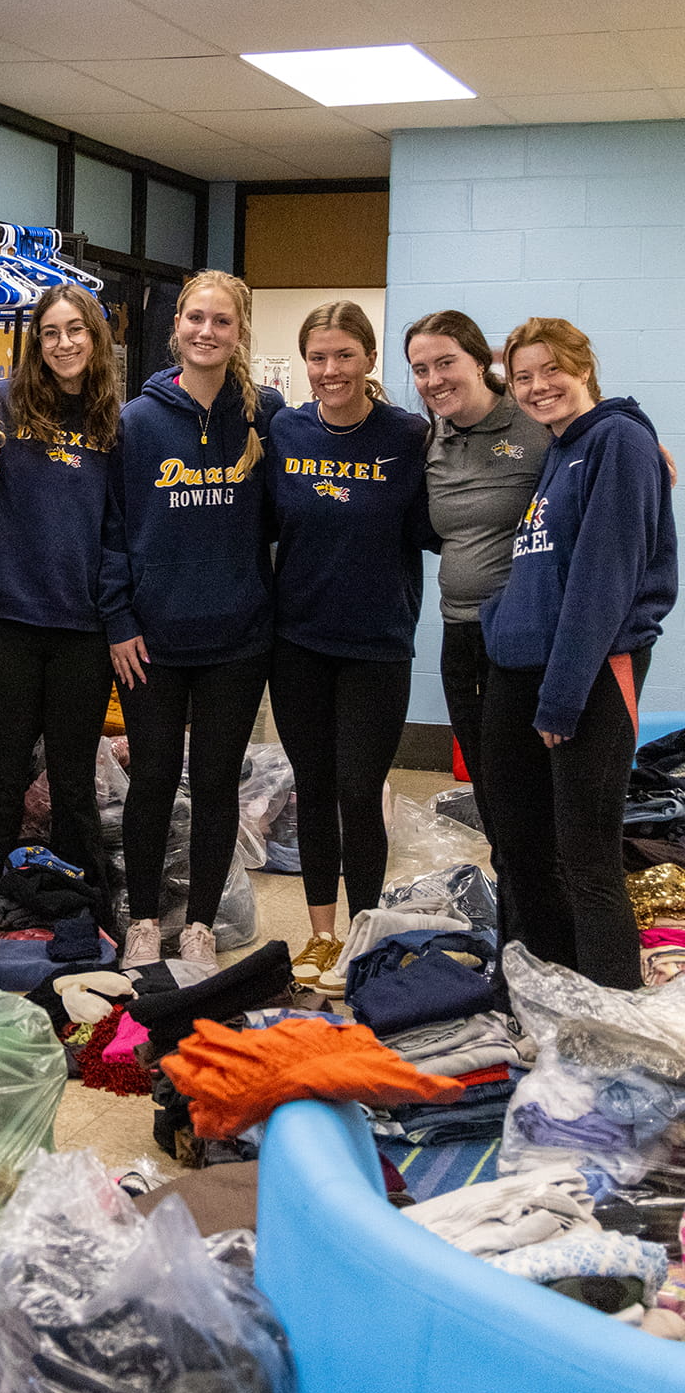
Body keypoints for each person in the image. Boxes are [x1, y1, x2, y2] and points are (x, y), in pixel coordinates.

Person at [480, 317, 676, 987]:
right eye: (524, 376)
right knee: (521, 846)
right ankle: (548, 989)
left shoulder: (618, 441)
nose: (538, 387)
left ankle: (611, 1013)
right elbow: (539, 564)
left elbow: (603, 581)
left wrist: (562, 694)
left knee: (585, 855)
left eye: (550, 371)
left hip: (588, 675)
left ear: (584, 367)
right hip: (526, 664)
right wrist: (499, 620)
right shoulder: (560, 448)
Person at [105, 273, 282, 973]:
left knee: (215, 784)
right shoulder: (136, 422)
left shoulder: (264, 415)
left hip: (238, 639)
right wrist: (118, 618)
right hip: (151, 639)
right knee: (151, 779)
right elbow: (112, 529)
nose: (207, 331)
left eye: (223, 322)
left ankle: (201, 925)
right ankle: (145, 921)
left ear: (239, 332)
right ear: (176, 325)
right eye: (196, 319)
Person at [267, 300, 434, 979]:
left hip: (376, 644)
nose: (329, 370)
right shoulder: (283, 429)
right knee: (313, 784)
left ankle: (365, 935)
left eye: (343, 355)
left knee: (360, 790)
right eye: (318, 357)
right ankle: (321, 935)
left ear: (368, 358)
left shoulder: (408, 434)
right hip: (298, 639)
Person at [0, 284, 119, 979]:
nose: (63, 344)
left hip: (84, 632)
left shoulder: (116, 421)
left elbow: (119, 530)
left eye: (75, 331)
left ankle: (87, 911)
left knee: (75, 785)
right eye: (50, 332)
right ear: (35, 341)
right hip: (13, 625)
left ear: (95, 339)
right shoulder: (1, 405)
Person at [406, 311, 548, 882]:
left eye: (446, 362)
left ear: (480, 361)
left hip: (519, 635)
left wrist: (645, 444)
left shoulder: (532, 424)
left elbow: (599, 433)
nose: (434, 378)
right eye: (421, 368)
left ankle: (542, 908)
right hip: (458, 632)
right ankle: (513, 905)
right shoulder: (428, 437)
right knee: (486, 781)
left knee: (525, 784)